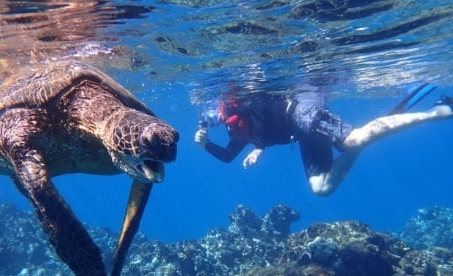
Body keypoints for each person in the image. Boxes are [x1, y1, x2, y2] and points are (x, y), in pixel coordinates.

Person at [194, 86, 453, 196]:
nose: (216, 119)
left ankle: (440, 111)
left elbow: (262, 106)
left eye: (215, 115)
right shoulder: (234, 131)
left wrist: (260, 147)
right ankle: (362, 140)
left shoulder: (240, 106)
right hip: (302, 134)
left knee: (355, 139)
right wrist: (206, 145)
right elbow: (228, 157)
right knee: (322, 189)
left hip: (300, 113)